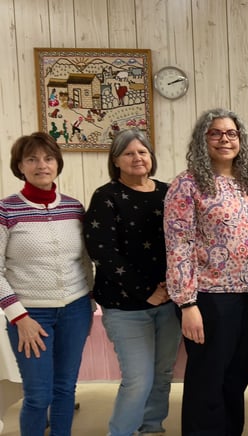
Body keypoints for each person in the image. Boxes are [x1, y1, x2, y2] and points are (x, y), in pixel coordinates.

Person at [164, 108, 248, 435]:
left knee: (237, 378)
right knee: (208, 381)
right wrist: (187, 304)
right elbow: (178, 243)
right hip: (210, 298)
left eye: (231, 133)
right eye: (215, 133)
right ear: (202, 139)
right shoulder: (187, 184)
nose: (225, 139)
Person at [83, 128, 181, 436]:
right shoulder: (106, 197)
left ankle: (151, 428)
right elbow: (102, 251)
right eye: (128, 153)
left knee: (162, 375)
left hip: (168, 302)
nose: (137, 158)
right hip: (125, 307)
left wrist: (171, 287)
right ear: (115, 160)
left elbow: (182, 242)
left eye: (142, 151)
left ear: (151, 156)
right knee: (138, 379)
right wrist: (145, 291)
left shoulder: (169, 192)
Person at [0, 132, 93, 436]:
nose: (42, 165)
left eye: (48, 158)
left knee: (65, 389)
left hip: (75, 311)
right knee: (39, 395)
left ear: (57, 164)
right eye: (32, 159)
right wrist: (20, 317)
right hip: (30, 315)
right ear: (20, 166)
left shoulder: (74, 208)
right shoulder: (6, 210)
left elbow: (84, 261)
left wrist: (89, 303)